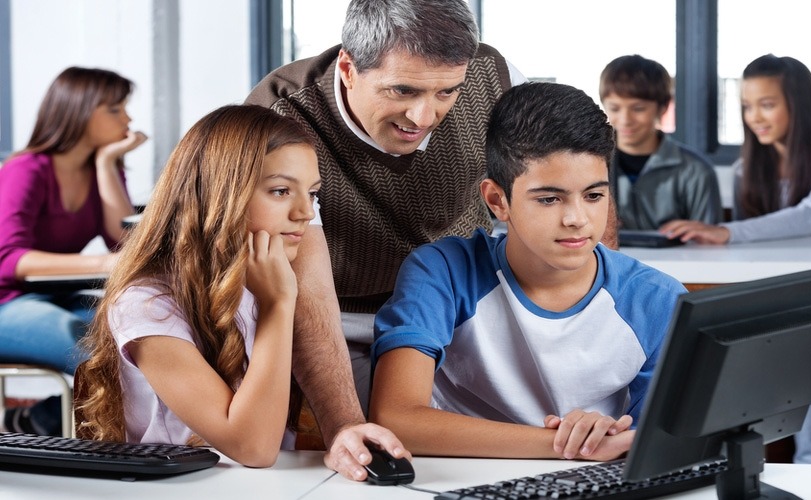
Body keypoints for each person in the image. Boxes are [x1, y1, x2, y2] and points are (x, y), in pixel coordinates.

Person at [246, 0, 596, 448]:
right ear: (349, 69)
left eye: (446, 92)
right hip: (348, 322)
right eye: (402, 91)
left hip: (466, 308)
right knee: (390, 446)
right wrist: (347, 431)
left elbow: (582, 175)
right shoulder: (280, 118)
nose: (424, 118)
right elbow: (307, 290)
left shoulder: (494, 75)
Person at [75, 105, 409, 473]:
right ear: (219, 195)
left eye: (312, 194)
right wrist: (279, 304)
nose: (304, 212)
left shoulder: (258, 284)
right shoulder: (147, 305)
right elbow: (254, 448)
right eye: (281, 191)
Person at [367, 82, 686, 459]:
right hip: (462, 484)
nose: (577, 219)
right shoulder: (443, 272)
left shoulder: (657, 299)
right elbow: (395, 417)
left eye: (594, 195)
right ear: (498, 201)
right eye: (549, 199)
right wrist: (567, 444)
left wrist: (607, 444)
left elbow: (660, 441)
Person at [660, 54, 811, 464]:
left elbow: (808, 218)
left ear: (800, 105)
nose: (754, 116)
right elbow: (751, 250)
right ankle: (714, 461)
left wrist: (726, 231)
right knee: (718, 341)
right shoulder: (746, 168)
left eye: (767, 104)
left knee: (798, 345)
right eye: (747, 105)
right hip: (780, 302)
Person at [0, 67, 147, 436]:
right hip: (6, 303)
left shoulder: (100, 170)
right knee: (87, 346)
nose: (127, 119)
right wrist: (100, 263)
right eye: (115, 109)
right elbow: (7, 258)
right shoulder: (26, 169)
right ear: (79, 111)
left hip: (53, 295)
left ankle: (42, 417)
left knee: (138, 331)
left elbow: (122, 241)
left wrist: (106, 164)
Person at [599, 55, 722, 230]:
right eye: (614, 108)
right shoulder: (590, 165)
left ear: (663, 107)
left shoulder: (696, 171)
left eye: (638, 108)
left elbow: (708, 246)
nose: (625, 120)